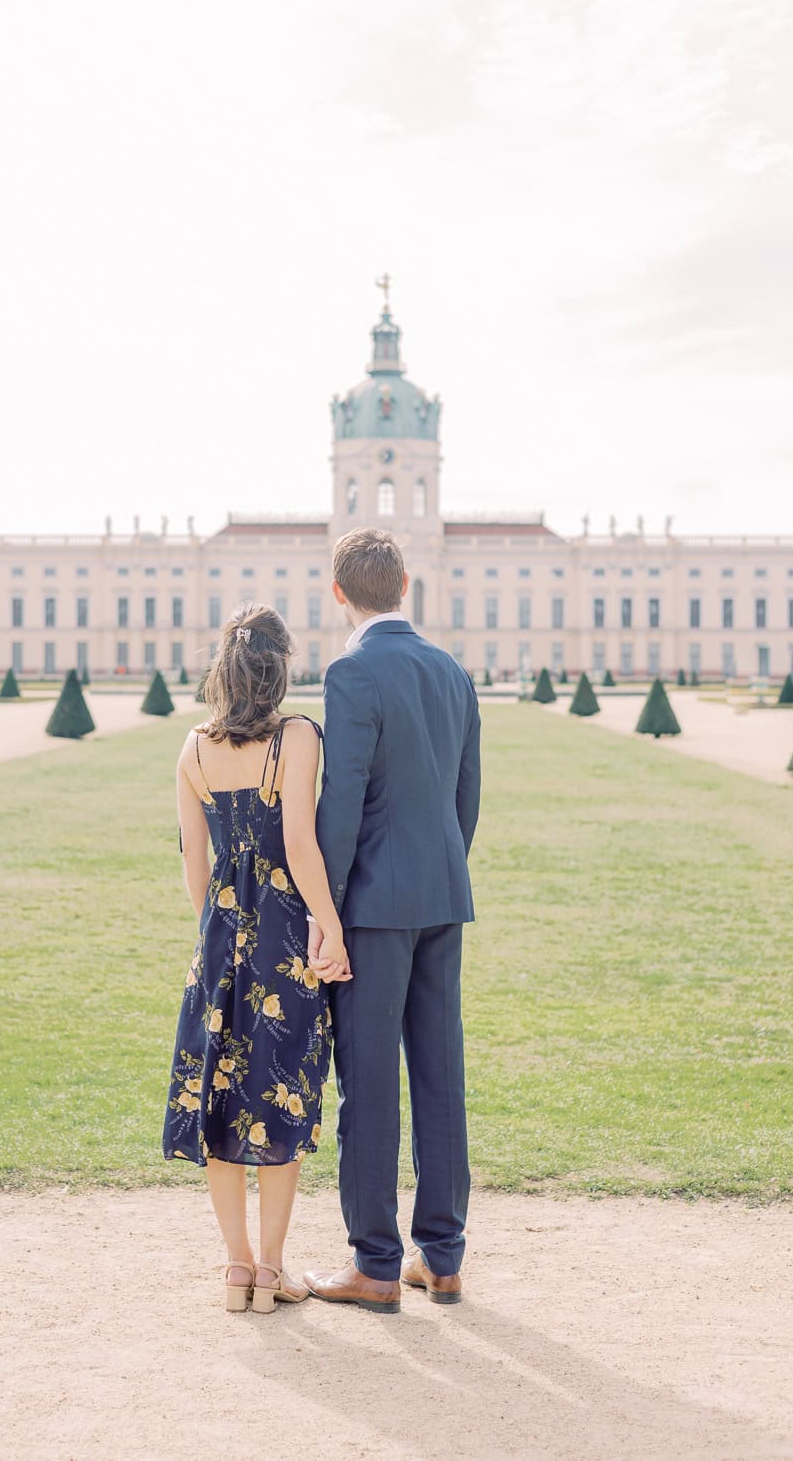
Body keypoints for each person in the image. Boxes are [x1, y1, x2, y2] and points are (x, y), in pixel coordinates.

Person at [305, 527, 481, 1314]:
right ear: (407, 585)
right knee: (440, 1074)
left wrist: (326, 912)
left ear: (338, 592)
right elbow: (464, 796)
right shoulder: (451, 670)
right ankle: (440, 1256)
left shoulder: (350, 670)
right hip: (441, 895)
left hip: (372, 906)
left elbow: (339, 805)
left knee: (369, 1082)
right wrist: (440, 871)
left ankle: (375, 1262)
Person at [163, 602, 351, 1314]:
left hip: (219, 938)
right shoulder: (298, 736)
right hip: (283, 937)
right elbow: (300, 846)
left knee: (217, 1097)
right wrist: (328, 927)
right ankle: (273, 1268)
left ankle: (237, 1265)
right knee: (279, 1094)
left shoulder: (192, 747)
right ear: (281, 668)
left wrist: (216, 927)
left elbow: (194, 860)